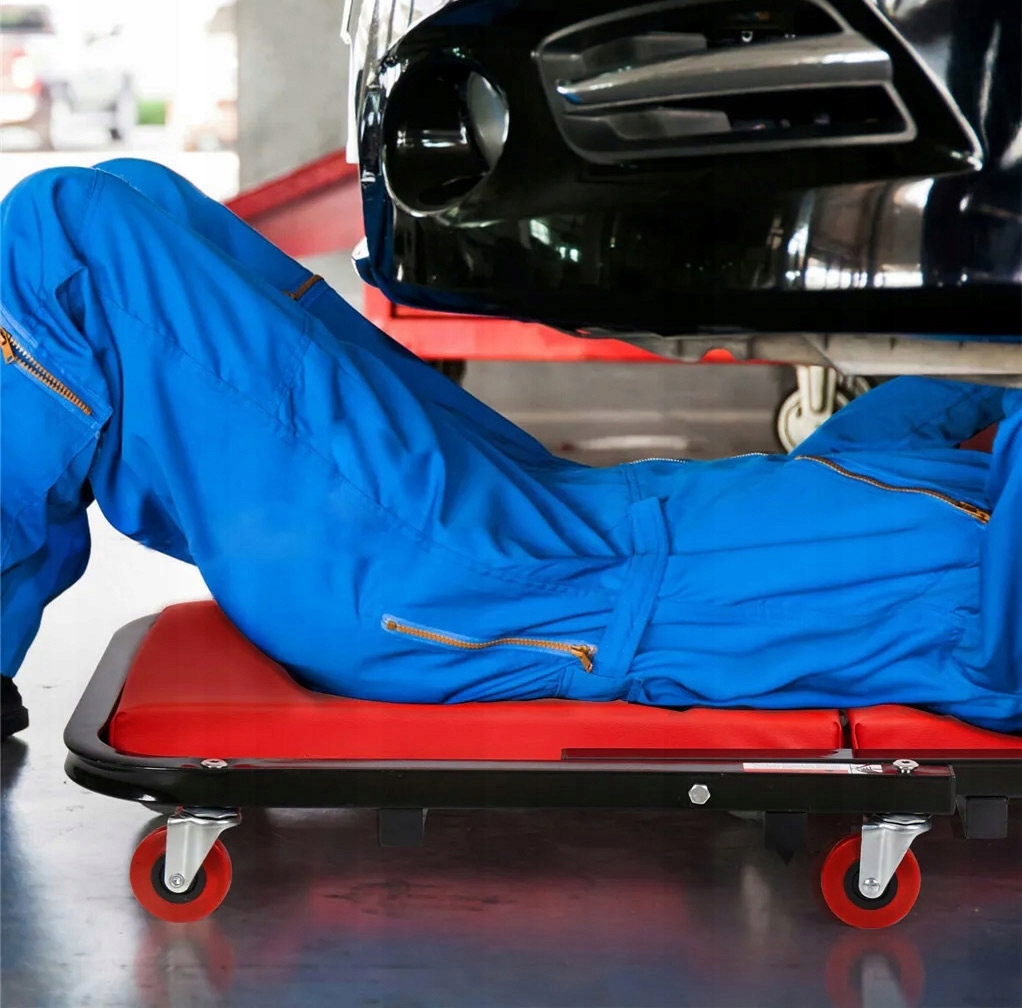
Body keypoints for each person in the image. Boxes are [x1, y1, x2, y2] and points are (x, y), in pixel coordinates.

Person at [1, 159, 1020, 742]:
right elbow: (866, 449)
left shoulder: (996, 622)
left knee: (65, 238)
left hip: (497, 586)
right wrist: (980, 384)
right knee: (137, 193)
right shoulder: (970, 488)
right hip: (540, 507)